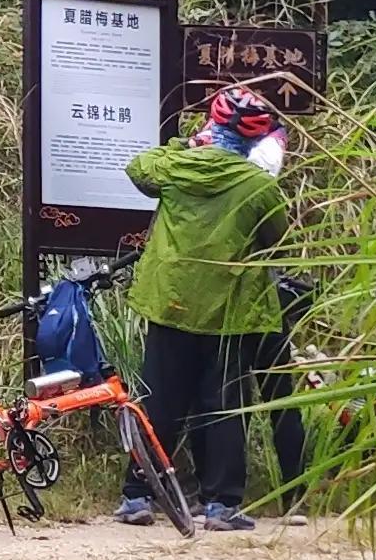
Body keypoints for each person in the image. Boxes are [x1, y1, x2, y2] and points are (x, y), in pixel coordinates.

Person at [119, 85, 292, 532]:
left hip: (170, 301)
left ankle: (138, 496)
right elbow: (277, 237)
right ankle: (220, 506)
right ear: (256, 140)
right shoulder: (258, 185)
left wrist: (185, 143)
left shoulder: (177, 166)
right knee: (224, 407)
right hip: (229, 312)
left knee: (159, 399)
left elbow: (139, 168)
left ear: (210, 125)